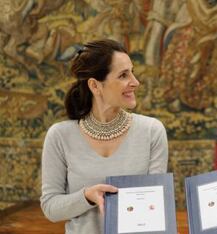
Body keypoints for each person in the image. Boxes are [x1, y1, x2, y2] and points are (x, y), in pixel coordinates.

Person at [40, 39, 168, 234]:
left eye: (132, 72)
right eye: (124, 75)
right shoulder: (60, 136)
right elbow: (51, 208)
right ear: (95, 86)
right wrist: (88, 196)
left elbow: (155, 205)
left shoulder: (152, 131)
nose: (135, 82)